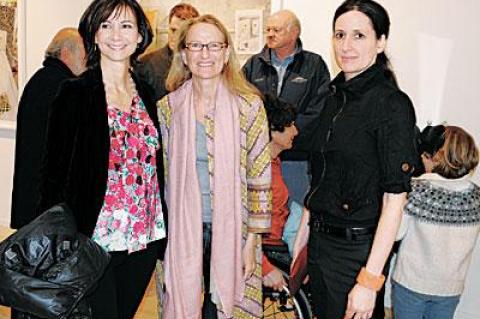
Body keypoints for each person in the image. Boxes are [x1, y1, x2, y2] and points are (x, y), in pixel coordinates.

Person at [37, 1, 167, 318]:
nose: (115, 35)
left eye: (125, 26)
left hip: (143, 238)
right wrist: (57, 243)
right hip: (94, 240)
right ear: (93, 35)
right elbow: (52, 175)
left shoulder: (148, 94)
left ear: (140, 36)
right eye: (105, 25)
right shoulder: (76, 93)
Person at [301, 0, 418, 318]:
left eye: (359, 36)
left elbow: (395, 201)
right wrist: (304, 244)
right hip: (320, 244)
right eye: (339, 35)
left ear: (381, 42)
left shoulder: (391, 104)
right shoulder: (333, 97)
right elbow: (321, 179)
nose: (346, 46)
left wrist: (369, 281)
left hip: (357, 253)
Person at [158, 14, 271, 319]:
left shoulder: (249, 106)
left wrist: (252, 241)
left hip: (235, 232)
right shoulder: (168, 108)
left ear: (225, 53)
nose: (204, 54)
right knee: (185, 303)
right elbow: (166, 179)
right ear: (183, 53)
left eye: (213, 46)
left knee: (224, 310)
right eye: (196, 45)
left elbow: (260, 177)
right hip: (183, 233)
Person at [243, 9, 330, 209]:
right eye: (268, 30)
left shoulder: (314, 65)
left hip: (296, 157)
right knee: (262, 216)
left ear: (294, 33)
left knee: (294, 214)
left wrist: (286, 133)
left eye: (277, 30)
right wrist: (266, 137)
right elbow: (242, 104)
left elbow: (320, 107)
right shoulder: (253, 65)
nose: (270, 34)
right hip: (259, 157)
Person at [392, 125, 480, 319]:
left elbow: (396, 233)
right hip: (450, 287)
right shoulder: (476, 197)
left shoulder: (417, 189)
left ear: (433, 157)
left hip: (411, 283)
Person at [10, 27, 86, 230]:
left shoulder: (38, 80)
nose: (87, 61)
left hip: (31, 194)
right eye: (83, 53)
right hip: (49, 201)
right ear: (66, 53)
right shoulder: (64, 86)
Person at [261, 93, 298, 291]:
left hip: (278, 239)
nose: (296, 131)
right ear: (273, 130)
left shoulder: (274, 162)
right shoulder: (258, 171)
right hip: (268, 246)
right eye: (290, 124)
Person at [137, 3, 199, 101]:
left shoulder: (201, 65)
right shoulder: (145, 64)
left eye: (183, 33)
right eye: (173, 30)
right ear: (168, 28)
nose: (177, 37)